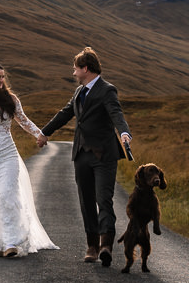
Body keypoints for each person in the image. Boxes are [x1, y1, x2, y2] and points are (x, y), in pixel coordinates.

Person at [37, 47, 133, 267]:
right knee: (85, 201)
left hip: (104, 155)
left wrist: (124, 132)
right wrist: (44, 132)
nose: (73, 73)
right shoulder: (79, 92)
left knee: (103, 199)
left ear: (85, 68)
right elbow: (65, 113)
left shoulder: (107, 90)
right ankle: (92, 246)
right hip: (81, 154)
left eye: (75, 68)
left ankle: (106, 244)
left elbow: (116, 113)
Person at [0, 62, 59, 258]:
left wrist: (40, 134)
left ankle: (12, 242)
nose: (1, 80)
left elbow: (23, 120)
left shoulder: (11, 99)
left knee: (7, 195)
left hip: (7, 154)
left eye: (3, 77)